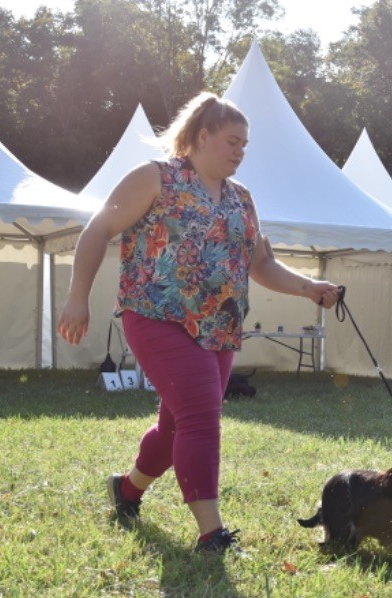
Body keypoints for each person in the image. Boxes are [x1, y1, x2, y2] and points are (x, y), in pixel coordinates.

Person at [57, 93, 340, 555]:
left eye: (245, 145)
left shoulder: (241, 199)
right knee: (202, 414)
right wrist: (77, 297)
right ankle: (212, 533)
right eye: (232, 141)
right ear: (201, 136)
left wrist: (309, 287)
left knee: (176, 428)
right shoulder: (156, 178)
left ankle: (127, 491)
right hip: (155, 314)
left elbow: (260, 263)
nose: (239, 151)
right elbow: (97, 230)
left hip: (220, 328)